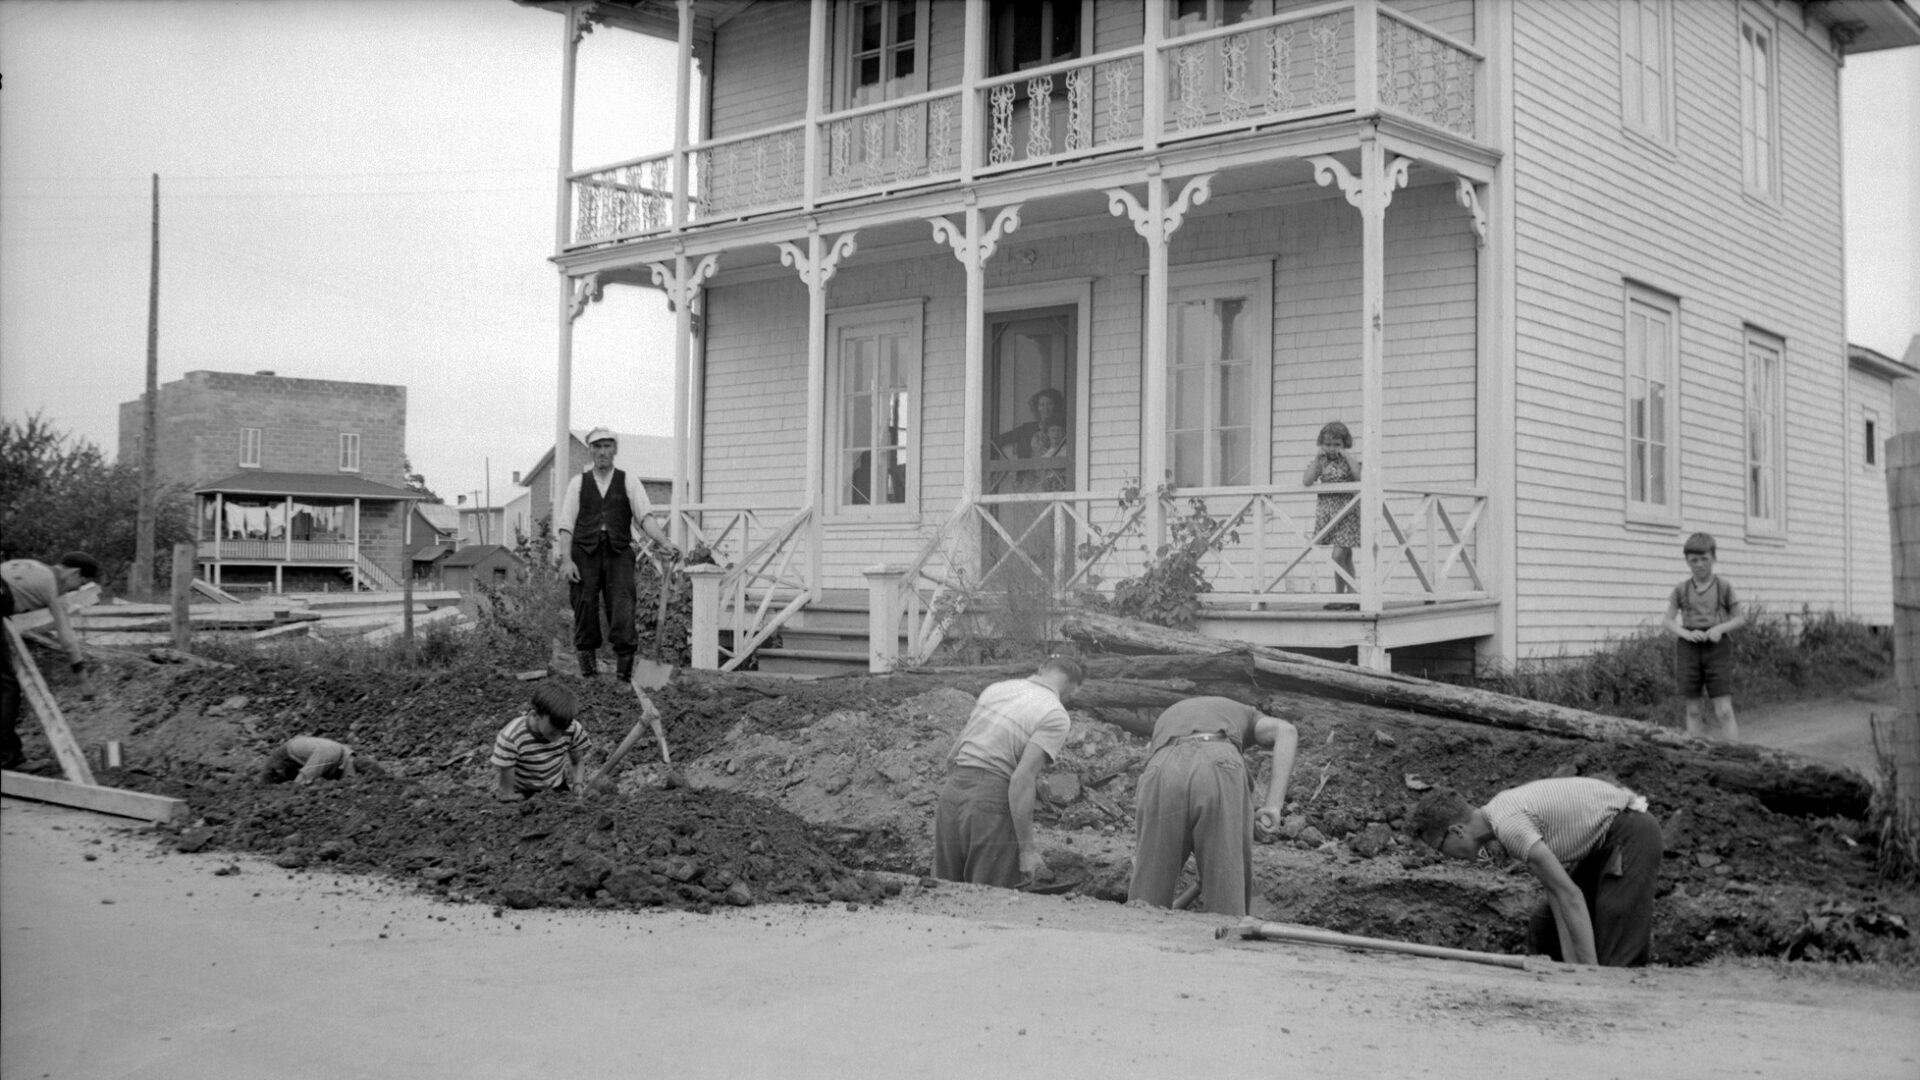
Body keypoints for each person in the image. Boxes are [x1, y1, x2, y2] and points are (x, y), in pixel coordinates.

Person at [1411, 777, 1663, 967]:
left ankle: (1614, 1005)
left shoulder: (1509, 826)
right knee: (1546, 927)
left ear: (1457, 831)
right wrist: (1568, 963)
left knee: (1617, 955)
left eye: (1440, 848)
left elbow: (1570, 896)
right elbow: (1556, 893)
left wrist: (1588, 973)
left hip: (1629, 834)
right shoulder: (1499, 817)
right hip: (1601, 846)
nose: (1445, 856)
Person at [1128, 697, 1299, 916]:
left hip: (1161, 766)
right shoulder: (1248, 713)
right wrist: (1273, 806)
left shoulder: (1172, 714)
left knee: (1147, 893)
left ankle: (1136, 937)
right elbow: (1287, 731)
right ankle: (1224, 938)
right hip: (1218, 760)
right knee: (1226, 897)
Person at [933, 655, 1085, 888]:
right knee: (987, 900)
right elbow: (1022, 779)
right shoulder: (1055, 714)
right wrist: (1027, 851)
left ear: (1042, 668)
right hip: (990, 800)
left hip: (951, 795)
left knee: (940, 894)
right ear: (1075, 688)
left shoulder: (996, 690)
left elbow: (952, 758)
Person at [556, 427, 677, 680]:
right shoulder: (578, 483)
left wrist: (665, 542)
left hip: (618, 550)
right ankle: (589, 676)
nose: (602, 452)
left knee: (623, 608)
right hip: (584, 553)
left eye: (607, 446)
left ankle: (623, 679)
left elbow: (645, 517)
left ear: (615, 450)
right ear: (590, 450)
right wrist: (567, 560)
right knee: (585, 608)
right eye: (597, 447)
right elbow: (566, 525)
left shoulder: (628, 481)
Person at [1, 552, 99, 771]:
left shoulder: (34, 567)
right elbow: (67, 639)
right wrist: (83, 680)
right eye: (81, 583)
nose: (75, 589)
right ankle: (9, 760)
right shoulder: (51, 585)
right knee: (6, 687)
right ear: (74, 573)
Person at [1664, 531, 1747, 741]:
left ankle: (1736, 756)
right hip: (1689, 649)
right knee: (1693, 709)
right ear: (1687, 561)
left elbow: (1740, 618)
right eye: (1694, 560)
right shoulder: (1681, 589)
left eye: (1704, 559)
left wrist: (1720, 629)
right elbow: (1668, 621)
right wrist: (1686, 634)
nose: (1700, 564)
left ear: (1714, 558)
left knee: (1724, 710)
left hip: (1717, 648)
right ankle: (1697, 757)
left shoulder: (1723, 586)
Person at [492, 683, 592, 801]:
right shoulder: (511, 738)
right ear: (536, 715)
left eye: (562, 731)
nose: (558, 737)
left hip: (557, 788)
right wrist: (512, 800)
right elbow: (506, 793)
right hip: (524, 794)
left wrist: (578, 784)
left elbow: (577, 760)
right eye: (553, 732)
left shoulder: (572, 728)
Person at [1301, 420, 1362, 606]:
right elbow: (1307, 480)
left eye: (1337, 444)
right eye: (1328, 444)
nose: (1332, 448)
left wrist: (1347, 456)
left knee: (1337, 556)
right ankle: (1342, 596)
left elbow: (1359, 477)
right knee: (1345, 556)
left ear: (1344, 444)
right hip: (1329, 512)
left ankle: (1352, 595)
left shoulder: (1349, 460)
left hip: (1347, 511)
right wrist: (1317, 457)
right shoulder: (1322, 460)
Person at [258, 736, 376, 785]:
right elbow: (306, 776)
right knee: (265, 781)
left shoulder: (346, 754)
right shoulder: (330, 753)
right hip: (288, 753)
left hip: (300, 759)